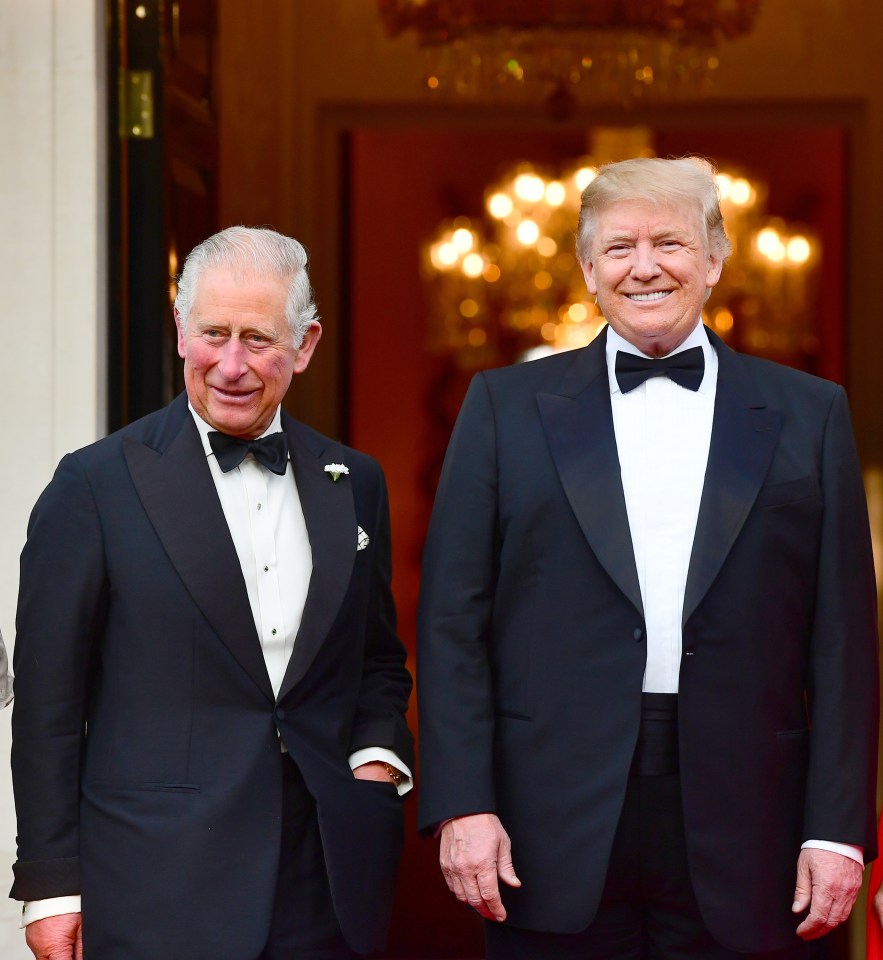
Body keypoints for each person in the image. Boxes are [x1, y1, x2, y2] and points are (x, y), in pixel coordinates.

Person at [417, 157, 878, 959]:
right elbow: (453, 622)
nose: (645, 266)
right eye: (620, 246)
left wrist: (836, 831)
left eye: (668, 242)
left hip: (752, 826)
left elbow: (842, 640)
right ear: (588, 269)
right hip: (544, 824)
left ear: (713, 259)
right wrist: (462, 804)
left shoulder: (811, 414)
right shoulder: (501, 409)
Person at [11, 226, 413, 960]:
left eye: (258, 339)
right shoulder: (94, 485)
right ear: (178, 331)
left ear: (306, 344)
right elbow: (48, 705)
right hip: (154, 884)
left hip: (321, 881)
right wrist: (50, 884)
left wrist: (376, 764)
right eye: (213, 335)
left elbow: (377, 659)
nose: (231, 365)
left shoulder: (354, 483)